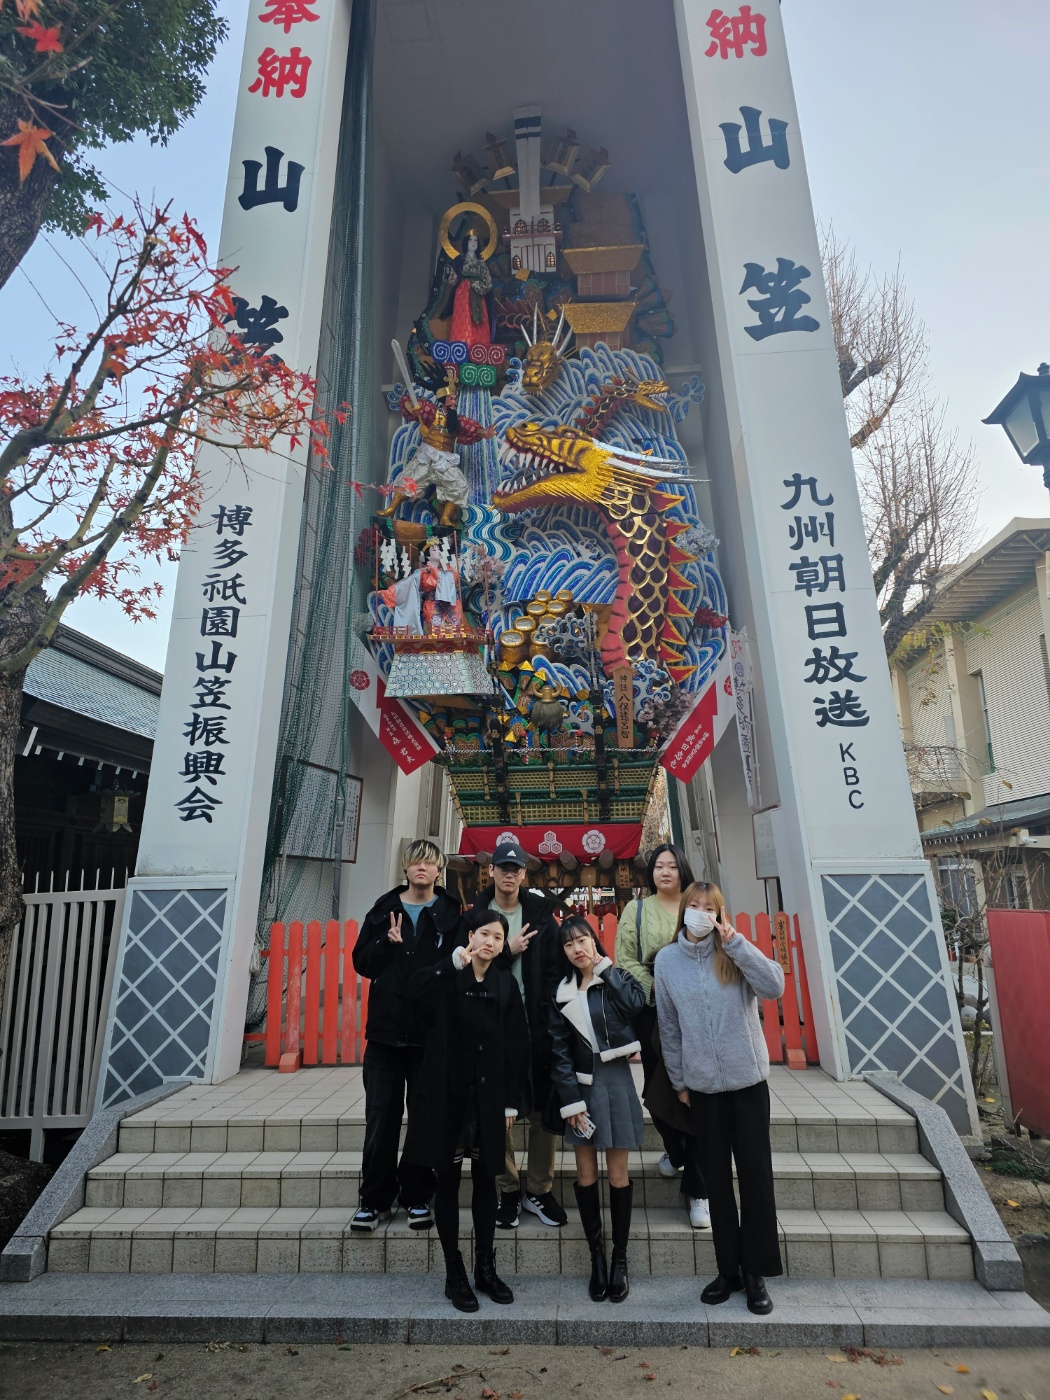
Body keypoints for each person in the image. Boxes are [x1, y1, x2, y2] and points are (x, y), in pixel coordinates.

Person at [654, 882, 785, 1316]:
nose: (700, 913)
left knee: (755, 1176)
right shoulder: (667, 961)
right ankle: (728, 1270)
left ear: (719, 914)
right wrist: (680, 1081)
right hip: (703, 1089)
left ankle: (756, 1271)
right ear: (683, 910)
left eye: (708, 908)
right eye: (693, 905)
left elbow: (774, 986)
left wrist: (737, 944)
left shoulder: (732, 951)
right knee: (715, 1180)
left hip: (748, 1084)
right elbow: (668, 1027)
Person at [404, 907, 529, 1312]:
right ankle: (453, 1271)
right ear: (470, 936)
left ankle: (485, 1268)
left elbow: (516, 1045)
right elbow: (412, 995)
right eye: (484, 934)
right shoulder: (448, 974)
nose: (490, 942)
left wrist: (511, 1100)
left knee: (485, 1181)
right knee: (447, 1181)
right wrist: (450, 964)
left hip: (488, 1099)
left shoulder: (505, 983)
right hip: (446, 1096)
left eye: (498, 936)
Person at [349, 840, 462, 1233]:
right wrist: (386, 942)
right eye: (415, 862)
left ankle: (416, 1196)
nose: (421, 869)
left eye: (429, 863)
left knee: (424, 1119)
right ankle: (374, 1199)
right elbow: (362, 962)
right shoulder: (383, 910)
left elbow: (459, 969)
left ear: (439, 870)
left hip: (430, 1034)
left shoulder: (450, 913)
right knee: (381, 1116)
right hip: (385, 1035)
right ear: (406, 868)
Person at [548, 914, 646, 1303]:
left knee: (618, 1175)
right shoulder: (561, 992)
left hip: (616, 1082)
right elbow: (558, 1051)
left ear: (594, 940)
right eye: (569, 943)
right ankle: (598, 1260)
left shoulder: (616, 980)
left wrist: (606, 970)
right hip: (580, 1088)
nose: (577, 948)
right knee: (586, 1175)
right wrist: (570, 1101)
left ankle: (620, 1260)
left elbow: (635, 1006)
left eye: (582, 940)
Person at [471, 839, 567, 1232]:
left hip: (536, 1026)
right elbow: (471, 967)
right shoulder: (476, 916)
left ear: (524, 874)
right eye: (503, 868)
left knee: (543, 1110)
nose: (509, 874)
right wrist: (506, 952)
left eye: (516, 869)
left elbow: (556, 968)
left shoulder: (541, 915)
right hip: (492, 1027)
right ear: (491, 871)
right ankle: (508, 1189)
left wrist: (550, 1013)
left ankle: (539, 1189)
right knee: (497, 1109)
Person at [615, 844, 710, 1230]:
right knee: (657, 1092)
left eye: (672, 865)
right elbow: (624, 959)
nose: (665, 871)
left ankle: (699, 1190)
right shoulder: (636, 910)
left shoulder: (697, 905)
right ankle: (675, 1150)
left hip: (696, 1009)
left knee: (698, 1093)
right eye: (658, 866)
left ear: (683, 869)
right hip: (652, 1010)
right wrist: (658, 985)